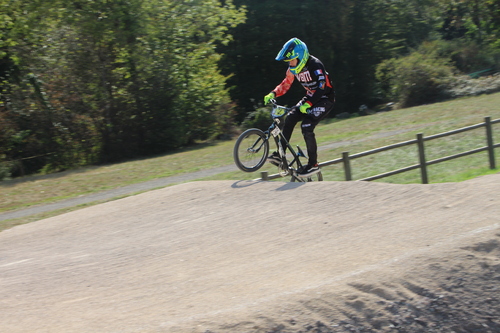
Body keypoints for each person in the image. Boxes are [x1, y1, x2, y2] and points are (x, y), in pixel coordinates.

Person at [264, 37, 335, 177]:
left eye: (292, 60)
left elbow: (322, 88)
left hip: (325, 99)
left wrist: (308, 104)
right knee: (290, 118)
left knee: (307, 126)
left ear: (300, 57)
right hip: (310, 97)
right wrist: (273, 93)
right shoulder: (294, 69)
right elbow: (286, 83)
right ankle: (280, 154)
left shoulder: (316, 65)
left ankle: (313, 165)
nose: (290, 64)